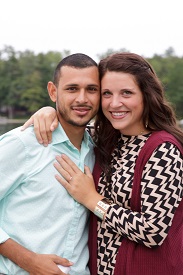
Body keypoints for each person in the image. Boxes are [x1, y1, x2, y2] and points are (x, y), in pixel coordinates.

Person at [23, 52, 183, 275]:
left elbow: (152, 231)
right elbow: (70, 123)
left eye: (126, 93)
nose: (115, 103)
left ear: (146, 95)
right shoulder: (103, 140)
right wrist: (48, 111)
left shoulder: (163, 149)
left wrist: (92, 199)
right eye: (107, 93)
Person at [0, 53, 100, 275]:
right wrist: (30, 261)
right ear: (53, 91)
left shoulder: (98, 149)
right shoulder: (23, 144)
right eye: (72, 89)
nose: (82, 98)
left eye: (91, 89)